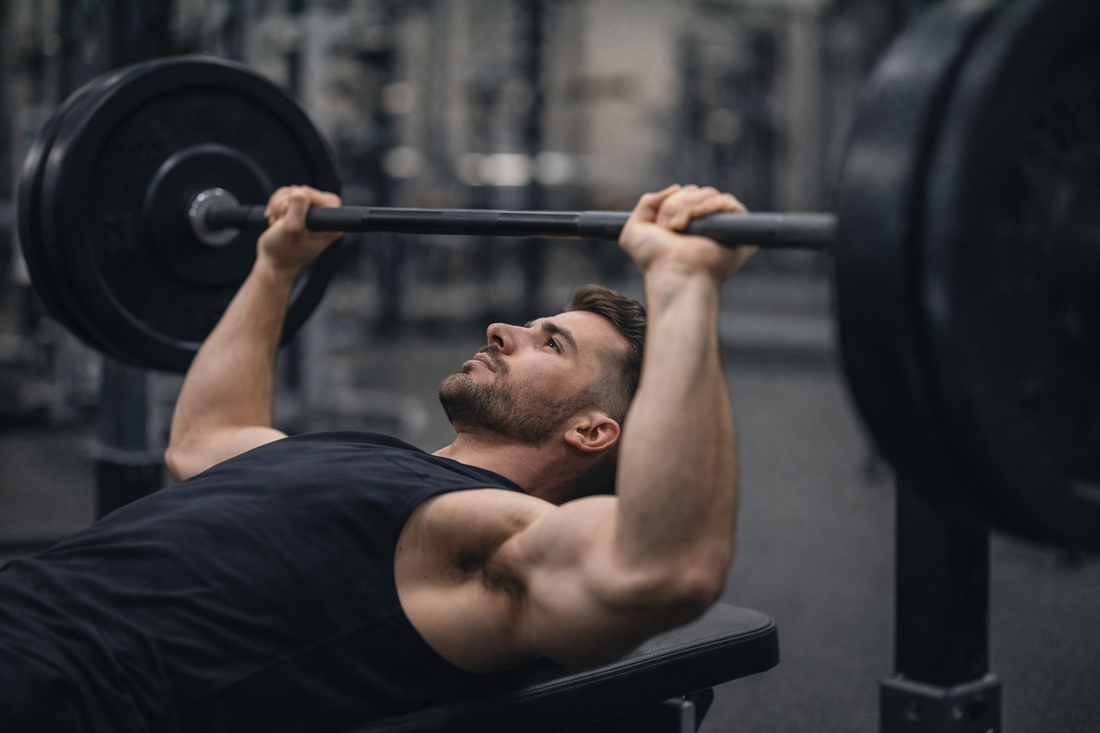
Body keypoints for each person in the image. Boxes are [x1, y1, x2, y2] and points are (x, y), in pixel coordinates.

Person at [0, 183, 754, 733]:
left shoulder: (485, 536)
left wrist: (683, 286)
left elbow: (666, 566)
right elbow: (203, 437)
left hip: (55, 688)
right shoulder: (360, 455)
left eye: (548, 343)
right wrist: (276, 265)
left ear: (592, 431)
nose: (502, 329)